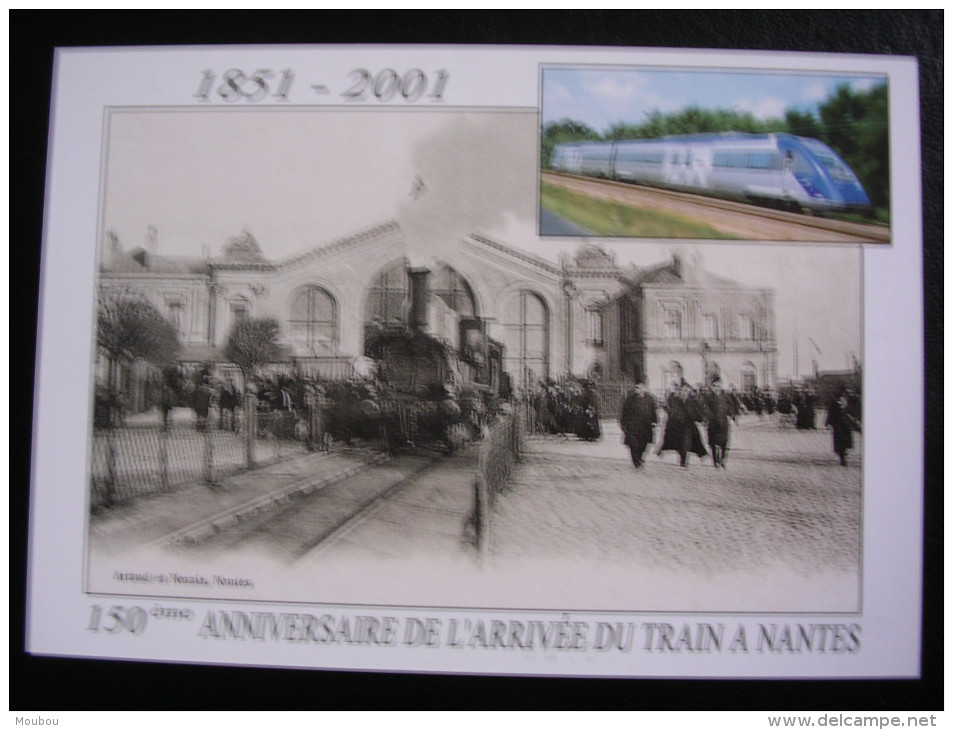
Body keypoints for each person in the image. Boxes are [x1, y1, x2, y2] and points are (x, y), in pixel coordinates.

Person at [657, 380, 707, 467]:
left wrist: (701, 419)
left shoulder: (692, 399)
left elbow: (697, 409)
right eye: (682, 389)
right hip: (677, 424)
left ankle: (683, 460)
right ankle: (682, 458)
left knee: (687, 442)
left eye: (686, 389)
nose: (684, 391)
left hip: (688, 424)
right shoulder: (674, 398)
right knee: (679, 442)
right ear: (680, 390)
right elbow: (670, 409)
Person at [619, 379, 657, 468]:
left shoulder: (650, 398)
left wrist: (654, 421)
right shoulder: (630, 399)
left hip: (645, 426)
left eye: (642, 388)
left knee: (644, 444)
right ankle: (636, 462)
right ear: (636, 389)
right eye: (638, 388)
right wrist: (623, 423)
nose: (640, 390)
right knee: (634, 444)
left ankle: (640, 458)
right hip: (633, 426)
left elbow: (653, 411)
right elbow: (624, 411)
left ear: (645, 388)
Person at [702, 375, 736, 468]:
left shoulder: (725, 395)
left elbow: (731, 406)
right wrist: (706, 418)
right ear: (712, 386)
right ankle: (715, 461)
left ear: (721, 385)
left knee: (724, 442)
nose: (717, 388)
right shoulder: (708, 396)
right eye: (715, 386)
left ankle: (723, 459)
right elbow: (704, 408)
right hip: (712, 422)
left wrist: (731, 416)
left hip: (723, 422)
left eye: (718, 386)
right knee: (713, 442)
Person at [825, 389, 861, 466]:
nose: (842, 399)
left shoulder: (847, 405)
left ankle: (844, 455)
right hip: (838, 426)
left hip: (846, 427)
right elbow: (830, 414)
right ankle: (842, 457)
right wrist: (828, 423)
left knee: (846, 443)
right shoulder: (834, 405)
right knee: (840, 444)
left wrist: (856, 421)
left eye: (843, 397)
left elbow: (852, 414)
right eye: (841, 397)